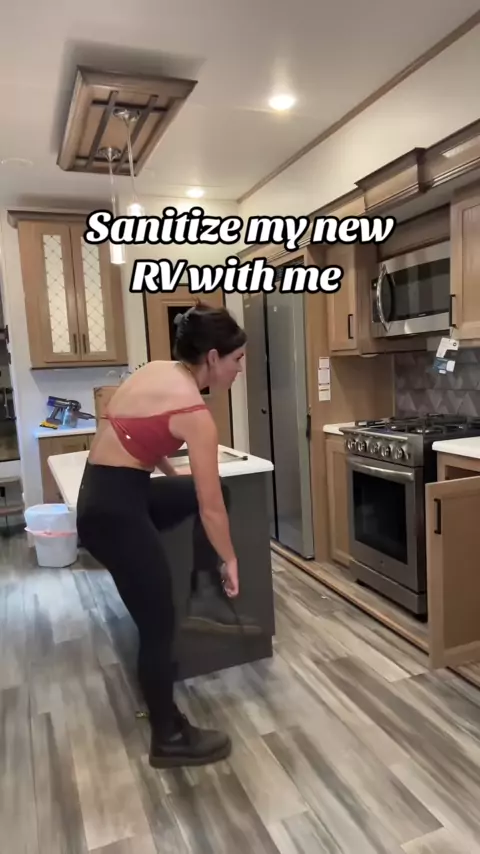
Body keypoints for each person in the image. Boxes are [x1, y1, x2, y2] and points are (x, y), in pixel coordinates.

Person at [76, 301, 247, 769]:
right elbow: (211, 510)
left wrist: (171, 476)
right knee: (159, 624)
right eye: (236, 360)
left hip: (109, 496)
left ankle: (196, 576)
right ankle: (167, 737)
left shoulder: (157, 370)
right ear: (212, 357)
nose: (239, 370)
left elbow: (134, 430)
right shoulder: (195, 412)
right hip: (115, 513)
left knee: (204, 491)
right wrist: (230, 559)